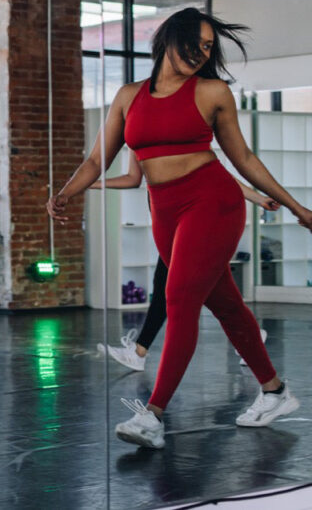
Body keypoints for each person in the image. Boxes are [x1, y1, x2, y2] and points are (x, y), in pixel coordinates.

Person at [48, 8, 312, 449]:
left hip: (213, 202)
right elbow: (98, 160)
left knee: (179, 298)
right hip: (164, 211)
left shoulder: (212, 92)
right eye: (196, 41)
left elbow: (243, 159)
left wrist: (298, 207)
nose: (202, 51)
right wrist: (66, 192)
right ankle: (275, 391)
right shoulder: (129, 96)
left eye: (209, 46)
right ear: (168, 40)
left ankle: (152, 415)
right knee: (225, 304)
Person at [93, 150, 278, 371]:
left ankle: (139, 351)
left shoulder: (179, 139)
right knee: (208, 291)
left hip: (195, 224)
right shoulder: (139, 142)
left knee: (167, 285)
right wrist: (92, 183)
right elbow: (132, 179)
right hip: (171, 228)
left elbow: (221, 177)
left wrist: (259, 198)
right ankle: (251, 336)